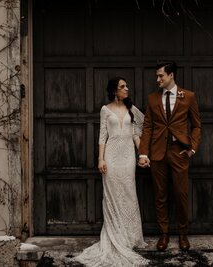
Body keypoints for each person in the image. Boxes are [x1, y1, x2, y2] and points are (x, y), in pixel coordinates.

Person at [75, 77, 149, 266]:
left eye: (126, 86)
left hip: (128, 157)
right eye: (122, 87)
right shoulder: (105, 110)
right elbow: (102, 136)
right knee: (113, 196)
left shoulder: (132, 110)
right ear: (114, 91)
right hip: (112, 156)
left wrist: (143, 154)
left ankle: (130, 238)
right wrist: (101, 158)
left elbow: (137, 134)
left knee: (129, 194)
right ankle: (116, 236)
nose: (127, 88)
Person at [138, 61, 201, 252]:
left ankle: (183, 234)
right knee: (160, 196)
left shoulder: (188, 96)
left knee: (181, 195)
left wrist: (192, 148)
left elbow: (196, 125)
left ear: (171, 75)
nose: (157, 79)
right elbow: (147, 126)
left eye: (161, 76)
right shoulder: (152, 98)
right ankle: (163, 234)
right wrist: (143, 153)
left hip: (179, 152)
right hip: (157, 154)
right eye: (157, 76)